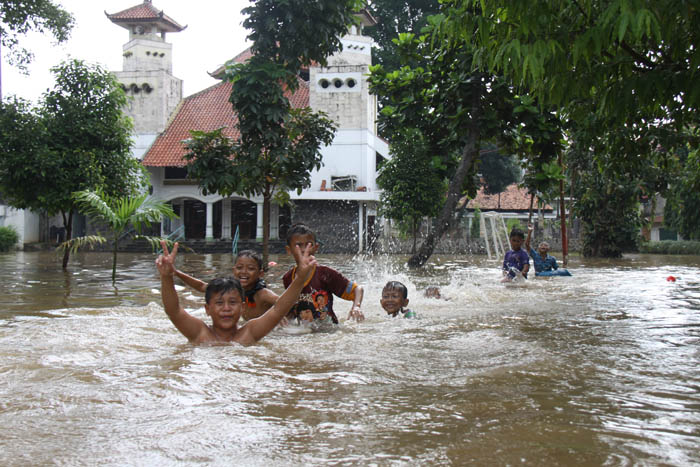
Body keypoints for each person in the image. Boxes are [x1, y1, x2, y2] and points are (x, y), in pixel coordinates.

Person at [155, 240, 316, 345]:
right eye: (219, 303)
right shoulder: (199, 333)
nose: (226, 308)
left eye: (232, 303)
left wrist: (301, 277)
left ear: (242, 308)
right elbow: (173, 311)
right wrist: (167, 276)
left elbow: (278, 309)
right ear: (207, 309)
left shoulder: (249, 334)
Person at [282, 223, 364, 323]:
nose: (304, 249)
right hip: (304, 333)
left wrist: (356, 307)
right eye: (298, 245)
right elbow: (293, 309)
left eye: (309, 244)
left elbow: (357, 289)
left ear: (316, 247)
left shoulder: (325, 274)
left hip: (328, 331)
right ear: (289, 250)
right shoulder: (288, 278)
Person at [173, 250, 278, 321]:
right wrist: (176, 272)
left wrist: (279, 315)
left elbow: (288, 303)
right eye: (239, 267)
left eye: (250, 268)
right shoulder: (232, 290)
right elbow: (202, 287)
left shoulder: (263, 294)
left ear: (260, 274)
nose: (244, 272)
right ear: (234, 270)